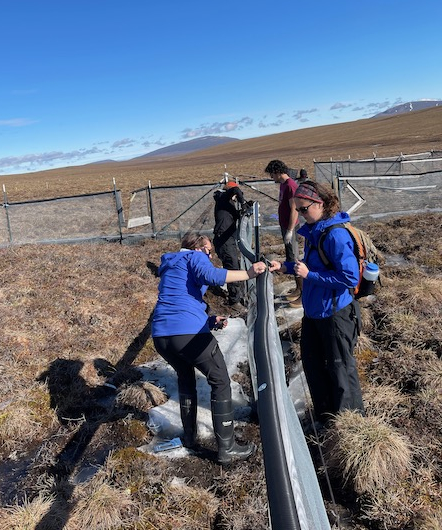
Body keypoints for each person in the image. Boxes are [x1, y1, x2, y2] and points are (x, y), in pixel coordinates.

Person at [151, 231, 266, 464]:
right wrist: (249, 273)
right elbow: (211, 275)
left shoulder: (171, 265)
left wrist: (209, 321)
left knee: (185, 377)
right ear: (199, 248)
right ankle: (227, 447)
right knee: (220, 381)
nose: (211, 256)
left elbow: (180, 302)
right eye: (210, 251)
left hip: (161, 336)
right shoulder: (194, 257)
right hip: (188, 334)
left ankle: (190, 438)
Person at [268, 181, 365, 427]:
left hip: (336, 314)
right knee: (313, 365)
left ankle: (349, 423)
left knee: (340, 368)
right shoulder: (315, 232)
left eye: (303, 209)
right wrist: (284, 267)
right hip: (313, 313)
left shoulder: (335, 235)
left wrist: (309, 275)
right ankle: (325, 417)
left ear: (320, 204)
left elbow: (349, 278)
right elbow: (310, 266)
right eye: (297, 210)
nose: (299, 215)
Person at [264, 160, 302, 306]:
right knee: (291, 257)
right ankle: (298, 290)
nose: (271, 177)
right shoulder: (283, 185)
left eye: (272, 174)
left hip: (290, 228)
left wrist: (290, 230)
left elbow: (294, 209)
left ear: (277, 172)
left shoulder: (291, 185)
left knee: (294, 260)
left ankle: (303, 295)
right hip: (285, 226)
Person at [213, 181, 249, 314]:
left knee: (234, 265)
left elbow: (230, 218)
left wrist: (243, 209)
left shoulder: (227, 203)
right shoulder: (223, 197)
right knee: (232, 268)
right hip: (224, 240)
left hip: (228, 239)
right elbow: (236, 190)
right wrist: (242, 201)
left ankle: (237, 295)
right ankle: (234, 302)